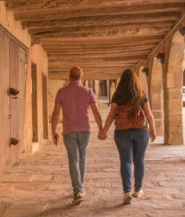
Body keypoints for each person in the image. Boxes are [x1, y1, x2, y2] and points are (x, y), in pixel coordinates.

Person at [98, 69, 156, 205]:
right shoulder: (141, 95)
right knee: (139, 161)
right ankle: (138, 190)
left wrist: (104, 131)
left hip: (122, 132)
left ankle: (126, 192)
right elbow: (149, 114)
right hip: (141, 131)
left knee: (125, 162)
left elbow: (111, 115)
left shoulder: (117, 95)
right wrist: (153, 129)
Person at [51, 66, 103, 205]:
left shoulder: (61, 92)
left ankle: (77, 190)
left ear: (69, 77)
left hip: (69, 131)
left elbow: (55, 113)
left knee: (73, 160)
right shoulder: (88, 91)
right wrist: (101, 129)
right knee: (82, 159)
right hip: (85, 130)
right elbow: (96, 112)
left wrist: (53, 130)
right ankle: (80, 188)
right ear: (82, 77)